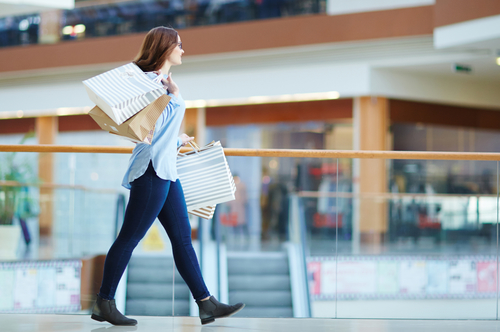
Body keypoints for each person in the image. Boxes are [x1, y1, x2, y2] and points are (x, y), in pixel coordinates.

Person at [91, 26, 245, 326]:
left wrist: (176, 133)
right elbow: (147, 133)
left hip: (166, 170)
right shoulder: (149, 84)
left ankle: (206, 303)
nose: (183, 50)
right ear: (164, 48)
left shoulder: (161, 85)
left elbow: (158, 133)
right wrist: (173, 100)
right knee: (129, 238)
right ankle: (104, 303)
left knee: (182, 239)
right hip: (152, 170)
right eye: (179, 45)